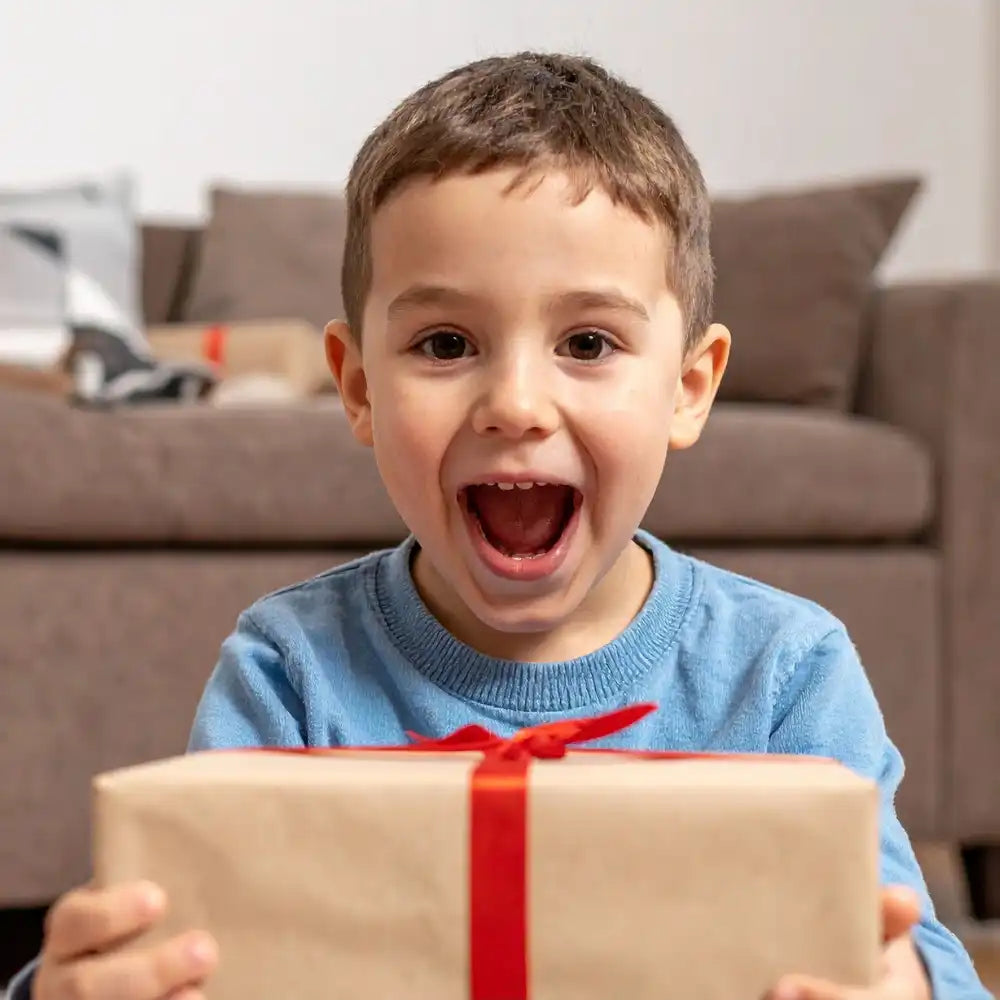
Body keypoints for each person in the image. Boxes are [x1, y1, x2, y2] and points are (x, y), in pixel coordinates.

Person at [12, 52, 990, 1000]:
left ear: (688, 389)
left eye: (587, 342)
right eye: (447, 343)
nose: (515, 402)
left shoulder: (785, 673)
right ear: (356, 386)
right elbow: (178, 940)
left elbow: (922, 959)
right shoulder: (289, 669)